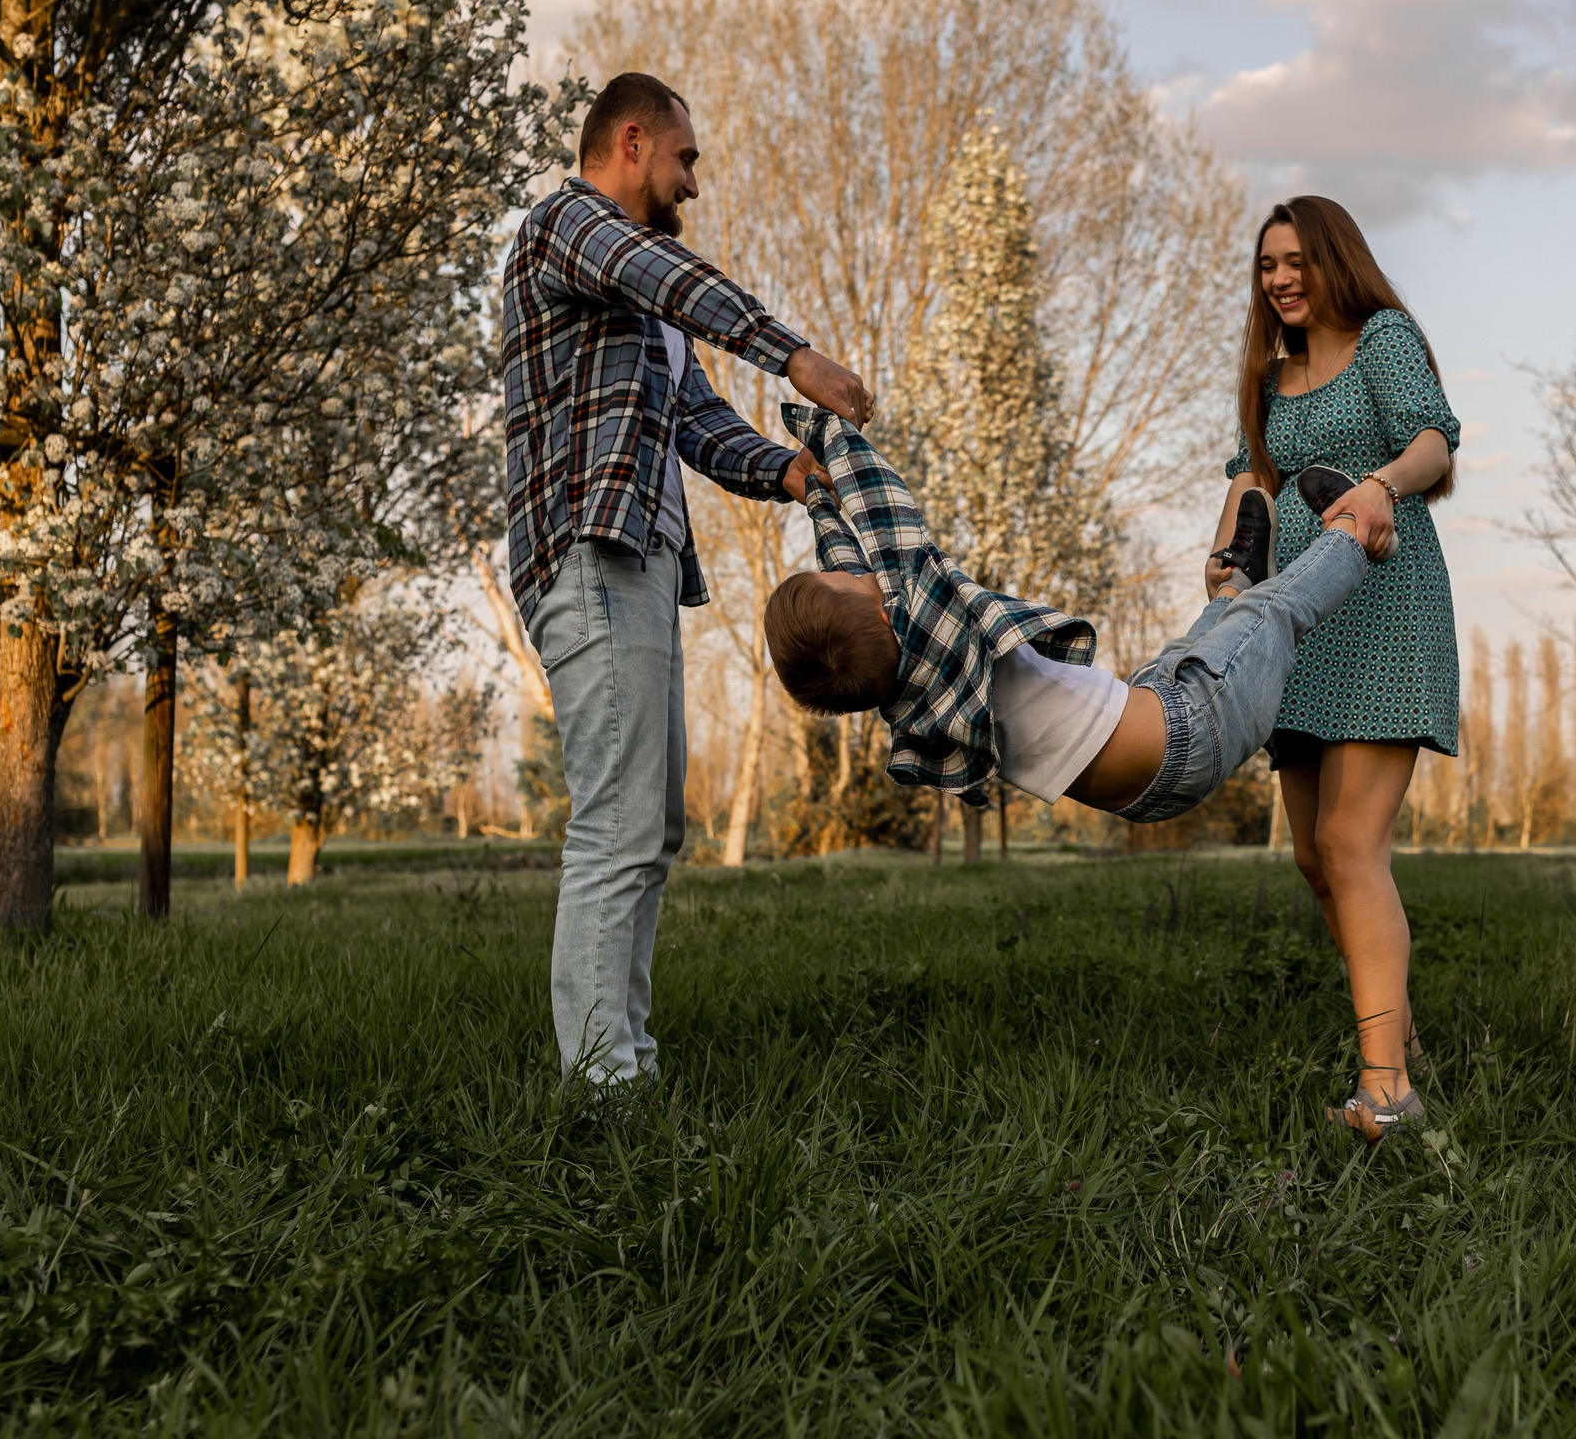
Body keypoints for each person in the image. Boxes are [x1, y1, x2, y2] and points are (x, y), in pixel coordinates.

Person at [499, 71, 872, 1093]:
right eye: (686, 158)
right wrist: (793, 356)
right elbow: (669, 279)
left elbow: (694, 420)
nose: (694, 183)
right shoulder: (566, 228)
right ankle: (599, 1083)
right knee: (618, 818)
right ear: (631, 141)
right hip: (586, 551)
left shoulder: (638, 294)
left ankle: (626, 1059)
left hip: (640, 564)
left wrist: (789, 473)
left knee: (650, 823)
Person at [762, 404, 1395, 838]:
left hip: (1148, 760)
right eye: (850, 578)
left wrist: (816, 494)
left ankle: (1234, 585)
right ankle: (1354, 529)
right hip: (1187, 734)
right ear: (883, 610)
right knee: (1274, 613)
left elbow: (845, 567)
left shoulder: (906, 691)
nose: (855, 568)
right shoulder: (924, 612)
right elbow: (884, 513)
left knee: (1191, 650)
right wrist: (826, 429)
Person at [1207, 196, 1460, 1144]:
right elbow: (1251, 476)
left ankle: (1387, 1090)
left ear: (1332, 259)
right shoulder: (1272, 378)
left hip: (1386, 606)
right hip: (1298, 617)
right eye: (1267, 264)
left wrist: (1379, 484)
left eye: (1296, 260)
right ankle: (1400, 1033)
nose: (1279, 278)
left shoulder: (1384, 337)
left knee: (1353, 845)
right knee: (1316, 855)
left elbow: (1435, 442)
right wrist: (1230, 551)